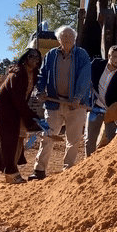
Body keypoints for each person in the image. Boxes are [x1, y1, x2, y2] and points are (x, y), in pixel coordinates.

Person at [30, 25, 91, 180]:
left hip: (75, 105)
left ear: (75, 39)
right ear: (58, 39)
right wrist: (41, 91)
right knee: (48, 135)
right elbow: (42, 75)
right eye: (64, 37)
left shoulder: (82, 55)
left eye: (70, 37)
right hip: (53, 104)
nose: (67, 39)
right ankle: (39, 170)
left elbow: (84, 78)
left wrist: (77, 97)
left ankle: (68, 171)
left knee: (73, 139)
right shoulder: (51, 55)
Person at [0, 48, 43, 184]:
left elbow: (23, 99)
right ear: (25, 58)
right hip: (4, 106)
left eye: (38, 58)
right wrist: (31, 118)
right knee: (9, 138)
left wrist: (30, 117)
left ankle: (13, 169)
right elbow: (17, 100)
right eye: (32, 56)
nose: (35, 60)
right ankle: (10, 172)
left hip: (16, 105)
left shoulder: (33, 73)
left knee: (19, 135)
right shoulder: (18, 74)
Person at [85, 45, 117, 156]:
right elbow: (85, 76)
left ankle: (109, 165)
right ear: (109, 56)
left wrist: (115, 111)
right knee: (90, 139)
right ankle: (89, 163)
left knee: (111, 140)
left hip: (112, 110)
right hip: (96, 108)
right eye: (115, 57)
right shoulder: (97, 65)